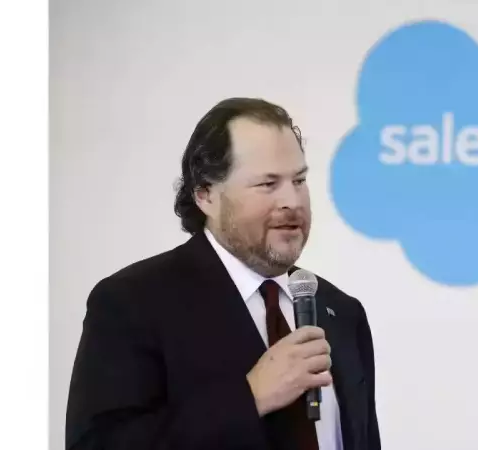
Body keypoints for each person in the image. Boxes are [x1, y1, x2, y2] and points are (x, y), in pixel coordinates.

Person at [65, 98, 380, 450]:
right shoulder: (133, 302)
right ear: (206, 195)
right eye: (268, 184)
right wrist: (250, 397)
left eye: (299, 180)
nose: (292, 201)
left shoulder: (342, 312)